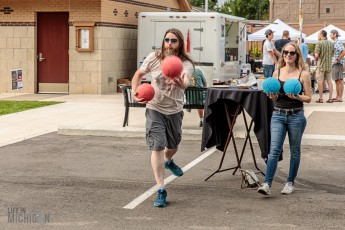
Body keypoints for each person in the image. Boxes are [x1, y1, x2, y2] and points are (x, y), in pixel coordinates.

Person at [131, 28, 194, 207]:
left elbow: (186, 80)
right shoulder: (154, 57)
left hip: (174, 110)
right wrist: (135, 92)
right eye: (167, 40)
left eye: (173, 41)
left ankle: (169, 160)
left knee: (172, 145)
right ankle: (161, 189)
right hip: (154, 108)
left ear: (179, 43)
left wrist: (181, 83)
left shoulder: (185, 63)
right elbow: (138, 75)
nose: (169, 43)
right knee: (157, 145)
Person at [257, 42, 312, 196]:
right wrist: (272, 96)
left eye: (292, 53)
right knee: (274, 150)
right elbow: (274, 97)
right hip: (278, 115)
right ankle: (267, 183)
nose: (288, 55)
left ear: (297, 56)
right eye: (286, 52)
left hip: (296, 116)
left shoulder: (304, 74)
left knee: (295, 151)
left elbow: (308, 98)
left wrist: (297, 96)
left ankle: (290, 183)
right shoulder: (277, 73)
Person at [314, 30, 334, 103]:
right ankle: (330, 98)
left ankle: (321, 98)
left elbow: (316, 55)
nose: (318, 36)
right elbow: (332, 54)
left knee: (320, 81)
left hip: (321, 65)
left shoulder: (319, 43)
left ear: (322, 35)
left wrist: (316, 56)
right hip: (329, 65)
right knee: (329, 81)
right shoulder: (331, 43)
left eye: (319, 34)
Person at [330, 29, 345, 102]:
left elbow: (344, 51)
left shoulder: (338, 42)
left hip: (338, 64)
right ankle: (337, 96)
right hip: (335, 64)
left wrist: (337, 59)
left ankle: (340, 97)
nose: (330, 35)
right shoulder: (335, 42)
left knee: (339, 81)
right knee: (336, 80)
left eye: (331, 34)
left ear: (335, 34)